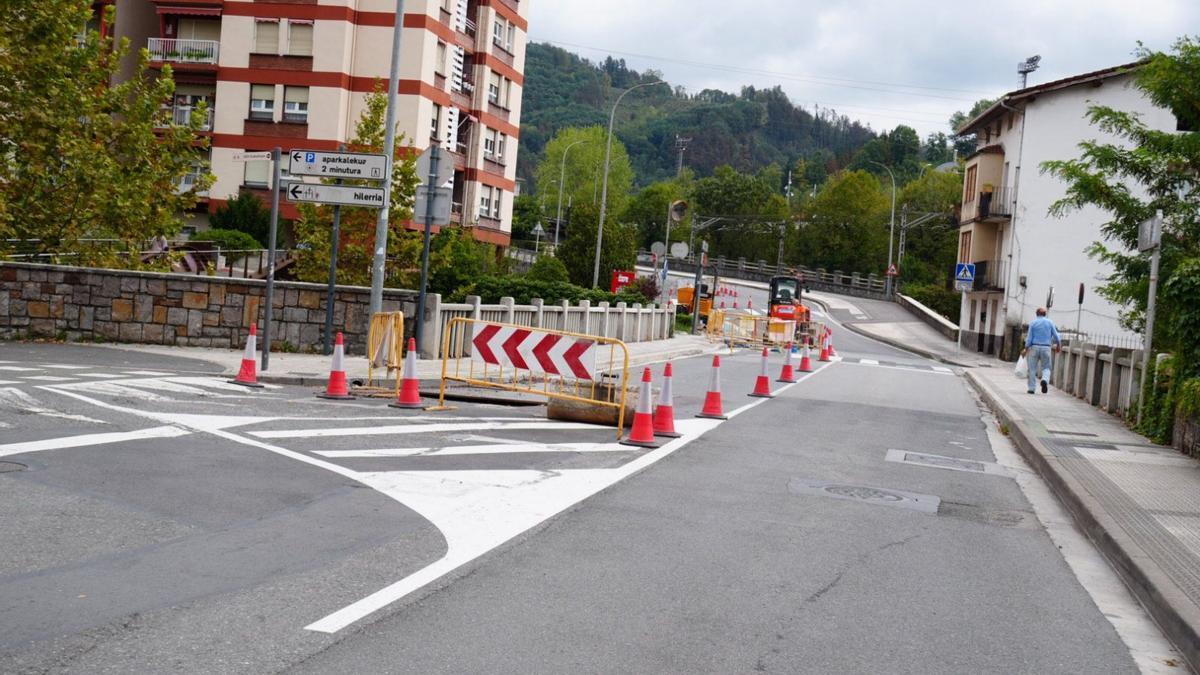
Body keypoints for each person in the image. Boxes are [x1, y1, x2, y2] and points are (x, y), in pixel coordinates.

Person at [1021, 308, 1062, 394]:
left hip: (1034, 347)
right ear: (1045, 314)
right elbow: (1056, 335)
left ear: (1036, 314)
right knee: (1046, 367)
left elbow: (1029, 338)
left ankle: (1031, 388)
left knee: (1032, 369)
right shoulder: (1050, 322)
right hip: (1046, 348)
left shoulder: (1033, 323)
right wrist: (1059, 345)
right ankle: (1044, 380)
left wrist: (1026, 349)